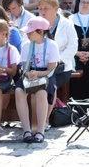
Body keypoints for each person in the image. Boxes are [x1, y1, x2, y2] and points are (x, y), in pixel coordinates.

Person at [15, 16, 60, 144]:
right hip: (30, 74)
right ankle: (26, 130)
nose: (27, 34)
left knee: (42, 93)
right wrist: (29, 73)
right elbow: (25, 67)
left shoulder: (52, 45)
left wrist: (38, 74)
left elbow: (51, 70)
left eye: (30, 31)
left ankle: (40, 131)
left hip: (46, 74)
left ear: (40, 32)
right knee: (19, 91)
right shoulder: (26, 45)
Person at [38, 0, 78, 109]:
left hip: (61, 68)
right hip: (40, 66)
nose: (42, 11)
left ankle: (45, 120)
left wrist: (58, 61)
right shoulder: (36, 23)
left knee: (50, 86)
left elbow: (72, 46)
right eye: (40, 8)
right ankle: (35, 119)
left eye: (46, 8)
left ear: (56, 9)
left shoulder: (67, 23)